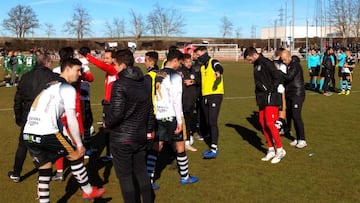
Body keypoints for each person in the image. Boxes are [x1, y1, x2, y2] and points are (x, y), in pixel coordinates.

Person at [22, 58, 105, 202]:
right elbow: (71, 119)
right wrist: (79, 144)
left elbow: (57, 119)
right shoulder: (68, 88)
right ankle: (88, 191)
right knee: (75, 156)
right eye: (77, 70)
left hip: (28, 133)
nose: (80, 74)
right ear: (67, 69)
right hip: (47, 132)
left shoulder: (49, 86)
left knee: (45, 168)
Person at [105, 49, 155, 203]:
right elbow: (150, 111)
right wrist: (149, 131)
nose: (115, 67)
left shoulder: (119, 84)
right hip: (139, 136)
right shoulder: (145, 82)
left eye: (116, 64)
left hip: (122, 138)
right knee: (141, 172)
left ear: (122, 64)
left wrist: (107, 122)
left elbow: (117, 114)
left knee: (125, 177)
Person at [149, 50, 199, 189]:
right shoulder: (175, 76)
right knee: (180, 146)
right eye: (180, 61)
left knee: (156, 147)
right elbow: (177, 101)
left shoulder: (158, 73)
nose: (181, 64)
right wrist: (179, 121)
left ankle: (149, 179)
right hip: (171, 116)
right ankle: (185, 176)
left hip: (158, 114)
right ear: (175, 60)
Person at [8, 53, 59, 183]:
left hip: (28, 116)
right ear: (47, 63)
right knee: (46, 145)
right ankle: (43, 175)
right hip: (47, 116)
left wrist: (18, 116)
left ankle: (16, 173)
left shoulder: (25, 77)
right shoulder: (54, 77)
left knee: (23, 145)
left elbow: (18, 99)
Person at [244, 47, 286, 164]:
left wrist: (270, 90)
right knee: (262, 123)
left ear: (253, 55)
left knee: (270, 123)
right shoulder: (256, 65)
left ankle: (280, 149)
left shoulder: (266, 62)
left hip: (271, 97)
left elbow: (277, 76)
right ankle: (271, 149)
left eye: (249, 59)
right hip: (261, 98)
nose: (249, 61)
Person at [83, 49, 118, 162]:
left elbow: (101, 65)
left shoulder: (113, 69)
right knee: (108, 130)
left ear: (114, 59)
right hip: (108, 104)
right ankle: (110, 154)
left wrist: (88, 56)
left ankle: (112, 154)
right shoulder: (110, 71)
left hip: (111, 105)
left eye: (107, 58)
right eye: (104, 57)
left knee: (110, 130)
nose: (105, 60)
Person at [193, 46, 224, 159]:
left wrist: (218, 72)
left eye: (199, 53)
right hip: (205, 96)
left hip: (215, 96)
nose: (197, 56)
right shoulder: (202, 67)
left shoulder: (213, 62)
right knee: (206, 120)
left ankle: (214, 147)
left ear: (204, 52)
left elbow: (219, 67)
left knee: (212, 121)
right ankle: (210, 140)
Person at [280, 50, 307, 148]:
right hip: (290, 94)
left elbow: (288, 77)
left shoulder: (296, 65)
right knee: (290, 115)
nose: (283, 61)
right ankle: (297, 138)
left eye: (284, 59)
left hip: (297, 94)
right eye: (282, 60)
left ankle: (302, 139)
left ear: (289, 57)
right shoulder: (289, 65)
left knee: (296, 116)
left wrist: (278, 72)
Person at [178, 53, 200, 151]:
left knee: (188, 121)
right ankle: (182, 141)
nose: (189, 63)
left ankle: (186, 140)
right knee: (181, 122)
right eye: (187, 62)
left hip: (191, 101)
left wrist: (193, 82)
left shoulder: (194, 70)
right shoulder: (178, 72)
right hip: (181, 102)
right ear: (182, 62)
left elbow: (200, 81)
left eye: (190, 61)